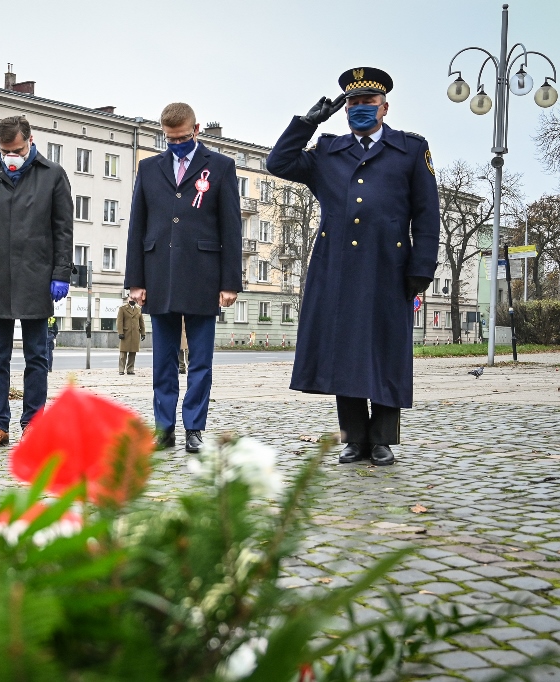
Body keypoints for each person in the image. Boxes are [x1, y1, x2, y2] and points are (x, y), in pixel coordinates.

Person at [266, 67, 440, 467]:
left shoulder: (410, 149)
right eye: (353, 103)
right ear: (345, 109)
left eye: (368, 102)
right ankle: (353, 438)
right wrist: (306, 124)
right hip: (337, 267)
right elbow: (279, 163)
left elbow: (426, 213)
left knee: (384, 350)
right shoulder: (328, 150)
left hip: (389, 265)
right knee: (343, 353)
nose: (360, 108)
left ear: (384, 107)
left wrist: (422, 266)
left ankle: (382, 439)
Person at [125, 102, 242, 453]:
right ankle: (164, 428)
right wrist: (135, 280)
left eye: (182, 137)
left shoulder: (221, 167)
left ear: (197, 129)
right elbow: (137, 227)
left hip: (204, 276)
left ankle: (194, 428)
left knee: (200, 361)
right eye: (169, 139)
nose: (176, 144)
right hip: (158, 274)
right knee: (163, 361)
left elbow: (231, 228)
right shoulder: (148, 168)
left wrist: (230, 282)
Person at [0, 116, 74, 448]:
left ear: (30, 141)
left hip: (37, 278)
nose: (11, 155)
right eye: (5, 150)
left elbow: (63, 231)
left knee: (36, 356)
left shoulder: (52, 175)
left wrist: (60, 273)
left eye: (17, 149)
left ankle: (33, 424)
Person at [116, 297, 145, 375]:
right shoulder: (122, 308)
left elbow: (141, 322)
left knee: (133, 353)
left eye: (134, 300)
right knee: (123, 353)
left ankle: (130, 369)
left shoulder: (138, 309)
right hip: (126, 334)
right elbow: (119, 321)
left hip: (135, 333)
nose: (133, 301)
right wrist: (120, 332)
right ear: (128, 299)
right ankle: (121, 370)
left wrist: (143, 333)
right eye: (131, 299)